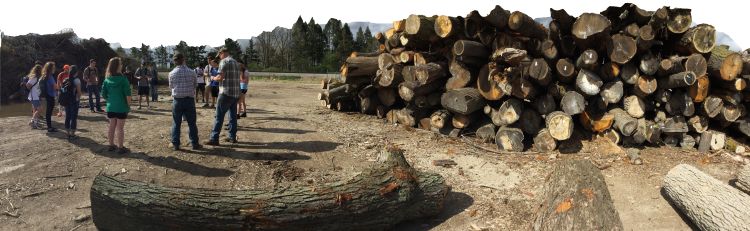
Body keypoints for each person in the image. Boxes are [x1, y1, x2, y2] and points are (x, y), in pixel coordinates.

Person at [206, 48, 241, 146]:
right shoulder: (236, 63)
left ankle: (214, 138)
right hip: (235, 93)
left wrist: (213, 78)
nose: (219, 58)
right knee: (233, 117)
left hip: (225, 93)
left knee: (219, 116)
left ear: (222, 53)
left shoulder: (223, 62)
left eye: (219, 55)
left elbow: (220, 77)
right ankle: (232, 137)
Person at [168, 53, 201, 150]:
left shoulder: (171, 73)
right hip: (189, 100)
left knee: (176, 123)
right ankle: (195, 143)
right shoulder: (192, 72)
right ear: (184, 60)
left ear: (174, 61)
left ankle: (175, 144)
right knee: (192, 123)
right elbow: (195, 85)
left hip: (177, 100)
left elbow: (171, 87)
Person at [101, 57, 132, 154]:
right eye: (121, 64)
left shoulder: (107, 80)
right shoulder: (123, 80)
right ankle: (120, 147)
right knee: (120, 128)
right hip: (121, 107)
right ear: (118, 66)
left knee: (111, 126)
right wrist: (128, 106)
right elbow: (128, 95)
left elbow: (103, 94)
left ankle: (111, 145)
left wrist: (110, 100)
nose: (122, 65)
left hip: (111, 107)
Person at [63, 65, 83, 139]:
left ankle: (67, 133)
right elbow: (79, 93)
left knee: (67, 116)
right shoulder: (77, 80)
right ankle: (72, 134)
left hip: (66, 100)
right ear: (76, 72)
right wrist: (79, 97)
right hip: (74, 100)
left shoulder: (65, 79)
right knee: (73, 117)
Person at [40, 62, 58, 132]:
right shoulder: (50, 77)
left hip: (46, 95)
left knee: (48, 111)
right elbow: (54, 87)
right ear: (51, 69)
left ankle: (49, 126)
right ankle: (50, 127)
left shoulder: (44, 76)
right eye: (53, 67)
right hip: (50, 95)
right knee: (49, 112)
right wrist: (59, 88)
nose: (54, 69)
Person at [25, 64, 43, 129]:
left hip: (36, 96)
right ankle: (32, 121)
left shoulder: (37, 77)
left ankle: (35, 123)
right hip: (34, 96)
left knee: (35, 109)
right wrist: (32, 90)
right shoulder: (34, 77)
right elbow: (28, 84)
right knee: (40, 109)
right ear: (39, 70)